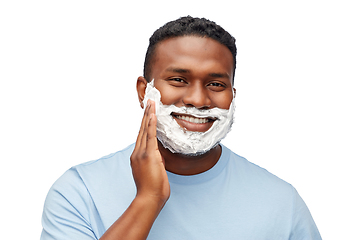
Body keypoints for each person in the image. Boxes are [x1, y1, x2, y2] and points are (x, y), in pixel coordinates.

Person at [41, 16, 322, 240]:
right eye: (178, 79)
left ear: (232, 97)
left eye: (216, 84)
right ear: (144, 91)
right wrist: (148, 200)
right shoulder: (79, 192)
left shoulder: (282, 204)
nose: (198, 100)